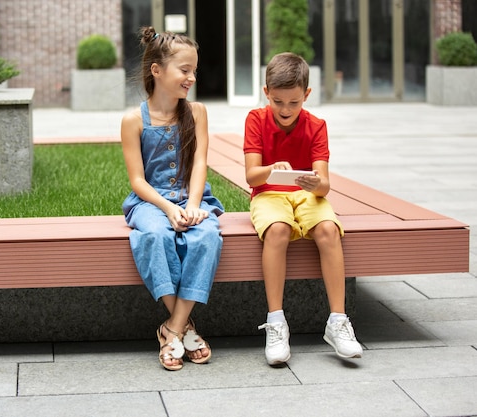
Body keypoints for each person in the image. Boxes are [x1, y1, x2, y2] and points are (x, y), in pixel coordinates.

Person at [243, 52, 363, 365]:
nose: (285, 110)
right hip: (268, 194)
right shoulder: (255, 119)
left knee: (327, 229)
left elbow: (324, 184)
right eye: (278, 101)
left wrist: (314, 184)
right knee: (278, 230)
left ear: (306, 95)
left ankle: (337, 321)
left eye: (294, 103)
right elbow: (251, 175)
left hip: (306, 195)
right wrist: (271, 168)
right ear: (266, 92)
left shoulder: (317, 126)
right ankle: (276, 321)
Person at [121, 26, 224, 371]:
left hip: (192, 196)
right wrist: (167, 208)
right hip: (152, 202)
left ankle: (172, 329)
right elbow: (137, 180)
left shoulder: (197, 113)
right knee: (153, 235)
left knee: (207, 235)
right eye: (184, 70)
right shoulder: (133, 120)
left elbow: (200, 163)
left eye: (194, 70)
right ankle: (185, 327)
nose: (192, 77)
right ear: (157, 70)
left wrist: (194, 205)